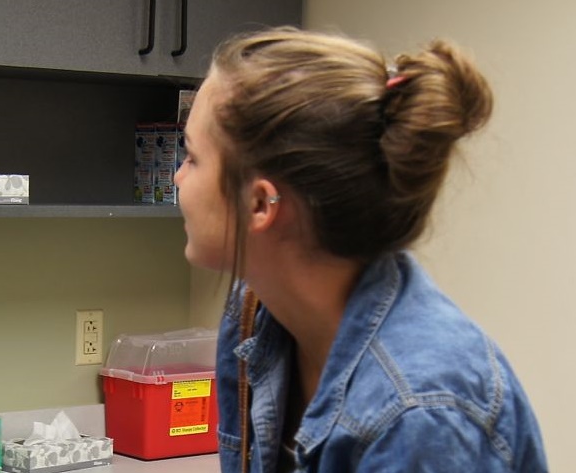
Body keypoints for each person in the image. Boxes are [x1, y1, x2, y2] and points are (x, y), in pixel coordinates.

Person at [174, 27, 547, 471]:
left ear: (259, 204)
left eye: (193, 157)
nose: (178, 177)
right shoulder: (256, 310)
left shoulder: (420, 413)